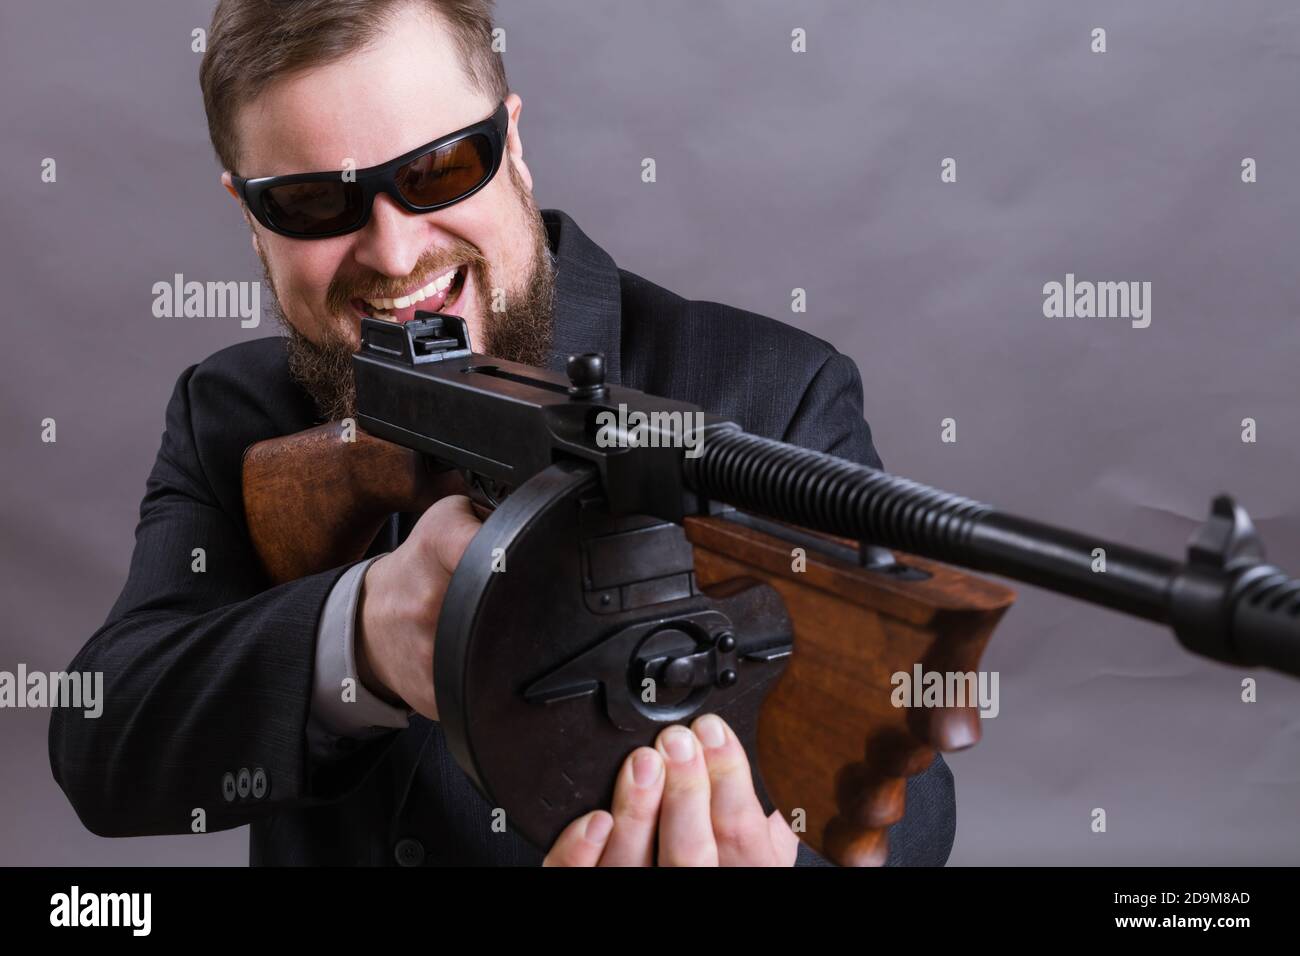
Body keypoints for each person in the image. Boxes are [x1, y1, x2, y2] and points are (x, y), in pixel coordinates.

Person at [49, 0, 955, 867]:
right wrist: (359, 637)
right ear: (249, 217)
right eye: (314, 206)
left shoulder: (768, 386)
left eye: (439, 169)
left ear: (511, 143)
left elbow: (911, 803)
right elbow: (102, 741)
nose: (395, 254)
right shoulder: (236, 409)